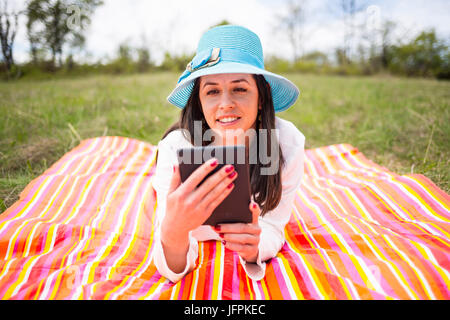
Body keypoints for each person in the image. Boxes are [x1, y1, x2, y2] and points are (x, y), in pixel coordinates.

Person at [151, 25, 305, 283]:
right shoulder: (175, 148)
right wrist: (174, 231)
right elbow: (169, 263)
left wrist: (256, 247)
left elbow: (274, 227)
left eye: (240, 89)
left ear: (262, 97)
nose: (225, 104)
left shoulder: (287, 144)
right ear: (199, 101)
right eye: (211, 91)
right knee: (152, 199)